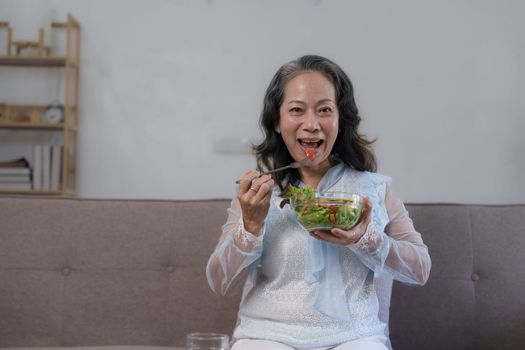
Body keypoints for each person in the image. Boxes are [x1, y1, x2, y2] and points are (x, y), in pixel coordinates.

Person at [206, 55, 431, 350]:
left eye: (325, 110)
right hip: (266, 336)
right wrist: (249, 226)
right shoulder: (259, 194)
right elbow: (220, 282)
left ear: (340, 119)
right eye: (297, 110)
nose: (311, 124)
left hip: (355, 337)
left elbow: (420, 269)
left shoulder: (375, 190)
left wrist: (367, 239)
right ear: (277, 120)